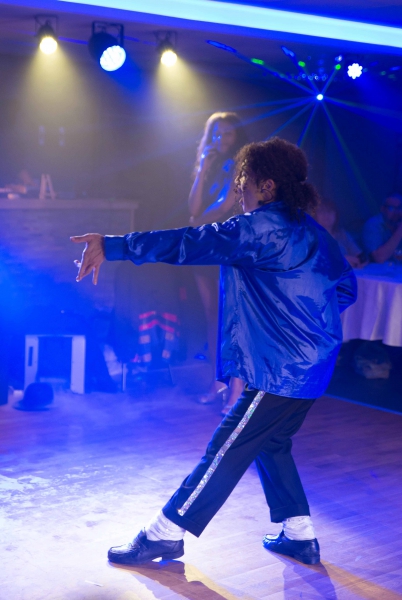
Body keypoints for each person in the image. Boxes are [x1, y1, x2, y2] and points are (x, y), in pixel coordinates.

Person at [71, 137, 357, 567]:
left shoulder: (259, 228)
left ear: (267, 186)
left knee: (226, 449)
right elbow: (346, 289)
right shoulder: (314, 232)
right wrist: (308, 325)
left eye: (244, 180)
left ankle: (165, 533)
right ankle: (299, 535)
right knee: (272, 443)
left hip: (283, 369)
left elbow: (188, 242)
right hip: (314, 365)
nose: (239, 189)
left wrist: (112, 246)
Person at [188, 112, 248, 411]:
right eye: (217, 133)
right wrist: (202, 168)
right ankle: (217, 382)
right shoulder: (210, 164)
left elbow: (226, 205)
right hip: (207, 244)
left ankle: (235, 387)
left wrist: (197, 222)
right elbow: (194, 206)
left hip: (228, 242)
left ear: (237, 137)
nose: (221, 138)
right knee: (212, 317)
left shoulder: (240, 165)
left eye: (228, 133)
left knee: (232, 318)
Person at [315, 201, 367, 268]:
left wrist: (361, 261)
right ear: (315, 215)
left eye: (329, 211)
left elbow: (360, 256)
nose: (326, 215)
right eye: (321, 211)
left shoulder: (342, 234)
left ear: (336, 215)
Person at [363, 193, 402, 263]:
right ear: (382, 209)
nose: (397, 212)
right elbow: (379, 258)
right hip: (377, 269)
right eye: (391, 208)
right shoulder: (373, 225)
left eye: (399, 208)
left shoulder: (398, 222)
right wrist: (400, 230)